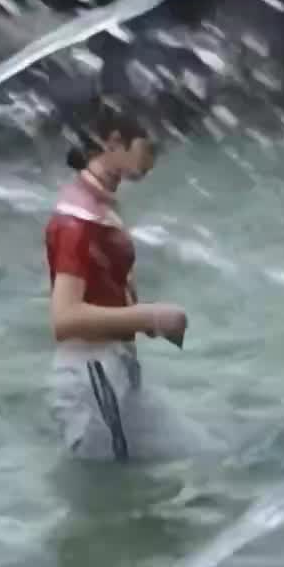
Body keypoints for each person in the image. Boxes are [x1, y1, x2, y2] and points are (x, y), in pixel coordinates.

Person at [45, 101, 202, 462]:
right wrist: (151, 317)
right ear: (115, 142)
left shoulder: (99, 205)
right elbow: (64, 319)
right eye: (150, 148)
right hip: (93, 378)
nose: (154, 160)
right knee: (111, 488)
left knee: (206, 455)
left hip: (116, 369)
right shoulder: (78, 220)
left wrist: (140, 317)